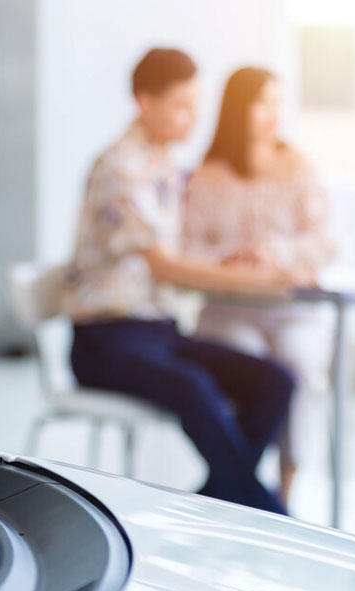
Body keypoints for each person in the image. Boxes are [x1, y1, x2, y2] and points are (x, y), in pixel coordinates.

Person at [64, 48, 308, 515]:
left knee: (275, 381)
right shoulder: (120, 168)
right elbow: (167, 268)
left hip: (159, 330)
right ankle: (268, 513)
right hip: (104, 338)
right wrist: (262, 281)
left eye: (196, 105)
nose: (193, 118)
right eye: (181, 106)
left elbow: (185, 254)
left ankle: (209, 509)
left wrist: (236, 258)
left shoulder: (168, 167)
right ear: (145, 103)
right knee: (196, 388)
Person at [181, 67, 334, 509]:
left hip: (291, 310)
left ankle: (281, 488)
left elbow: (323, 241)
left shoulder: (298, 167)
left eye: (277, 102)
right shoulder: (206, 176)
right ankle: (247, 485)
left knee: (300, 363)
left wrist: (277, 252)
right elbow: (185, 251)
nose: (272, 114)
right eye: (262, 102)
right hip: (227, 310)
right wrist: (234, 255)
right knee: (249, 362)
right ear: (238, 108)